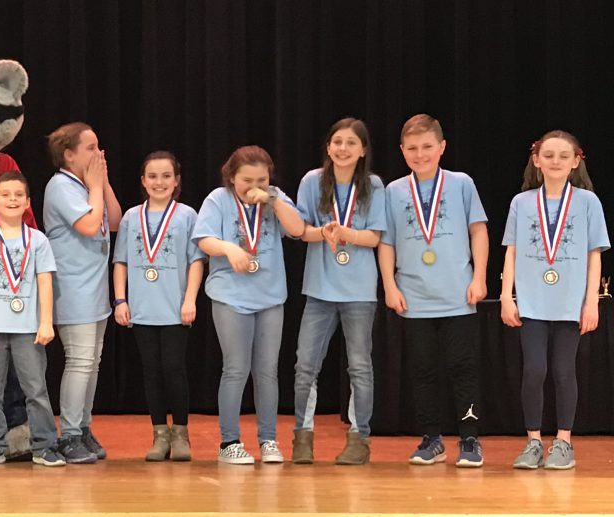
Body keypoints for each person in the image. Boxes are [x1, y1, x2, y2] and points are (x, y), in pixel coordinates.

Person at [378, 114, 489, 467]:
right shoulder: (393, 191)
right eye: (412, 148)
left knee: (463, 367)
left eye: (427, 147)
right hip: (414, 296)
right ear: (402, 151)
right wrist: (390, 285)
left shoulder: (460, 184)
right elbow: (386, 242)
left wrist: (480, 277)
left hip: (458, 294)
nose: (420, 154)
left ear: (442, 147)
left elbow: (478, 231)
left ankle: (469, 440)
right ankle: (431, 438)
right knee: (423, 369)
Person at [501, 131, 609, 470]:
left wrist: (591, 301)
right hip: (532, 302)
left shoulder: (588, 202)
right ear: (536, 160)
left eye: (564, 156)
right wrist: (507, 296)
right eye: (549, 155)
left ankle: (563, 443)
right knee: (534, 370)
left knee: (564, 371)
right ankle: (533, 442)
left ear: (576, 161)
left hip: (570, 303)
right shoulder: (521, 203)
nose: (556, 162)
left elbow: (595, 254)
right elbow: (512, 251)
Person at [192, 145, 305, 464]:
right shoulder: (218, 199)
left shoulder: (275, 197)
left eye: (262, 179)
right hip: (231, 296)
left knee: (268, 371)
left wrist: (272, 198)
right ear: (231, 177)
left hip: (270, 297)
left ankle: (268, 440)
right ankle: (229, 443)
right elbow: (204, 239)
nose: (254, 185)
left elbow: (296, 230)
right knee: (236, 368)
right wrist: (230, 249)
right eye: (247, 179)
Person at [292, 118, 386, 465]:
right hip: (319, 290)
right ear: (328, 148)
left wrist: (343, 232)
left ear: (362, 151)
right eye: (336, 142)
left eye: (350, 143)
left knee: (360, 367)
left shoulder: (374, 185)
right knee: (305, 366)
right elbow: (301, 229)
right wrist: (323, 233)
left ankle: (359, 439)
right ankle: (302, 437)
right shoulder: (312, 182)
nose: (342, 149)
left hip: (359, 292)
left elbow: (375, 237)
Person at [0, 171, 66, 467]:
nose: (12, 199)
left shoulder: (37, 240)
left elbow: (45, 281)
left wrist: (46, 321)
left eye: (18, 195)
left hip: (29, 329)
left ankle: (45, 445)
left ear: (27, 202)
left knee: (36, 390)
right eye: (6, 195)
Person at [113, 151, 205, 462]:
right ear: (143, 181)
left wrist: (190, 299)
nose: (159, 182)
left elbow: (196, 261)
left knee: (173, 369)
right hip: (142, 309)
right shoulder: (130, 217)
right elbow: (121, 261)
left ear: (177, 180)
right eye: (152, 176)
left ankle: (180, 433)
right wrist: (120, 299)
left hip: (175, 307)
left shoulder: (188, 215)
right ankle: (159, 435)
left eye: (166, 176)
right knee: (151, 371)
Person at [42, 122, 122, 464]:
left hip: (95, 290)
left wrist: (100, 184)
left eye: (99, 146)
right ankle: (70, 434)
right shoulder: (60, 186)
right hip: (73, 289)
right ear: (69, 154)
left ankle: (83, 426)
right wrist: (93, 185)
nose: (98, 154)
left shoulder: (87, 185)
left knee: (93, 363)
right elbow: (90, 226)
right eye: (90, 148)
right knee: (79, 361)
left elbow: (115, 221)